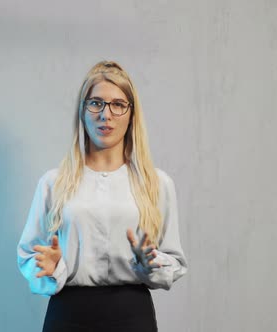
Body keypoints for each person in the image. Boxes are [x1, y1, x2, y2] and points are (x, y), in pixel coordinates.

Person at [16, 60, 188, 332]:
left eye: (118, 104)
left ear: (132, 114)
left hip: (132, 317)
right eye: (96, 103)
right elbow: (29, 254)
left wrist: (150, 263)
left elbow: (174, 262)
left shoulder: (156, 184)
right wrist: (52, 268)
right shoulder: (53, 183)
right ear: (82, 112)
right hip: (67, 315)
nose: (106, 115)